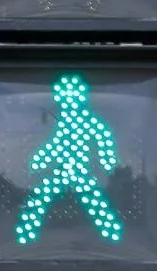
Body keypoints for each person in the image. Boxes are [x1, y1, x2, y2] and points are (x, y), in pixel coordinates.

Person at [16, 73, 125, 245]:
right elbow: (56, 144)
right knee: (41, 197)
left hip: (79, 173)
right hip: (63, 172)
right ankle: (26, 233)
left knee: (95, 204)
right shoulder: (65, 121)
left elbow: (102, 136)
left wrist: (107, 159)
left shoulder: (85, 120)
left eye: (70, 96)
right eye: (64, 96)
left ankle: (112, 232)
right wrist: (40, 159)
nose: (67, 101)